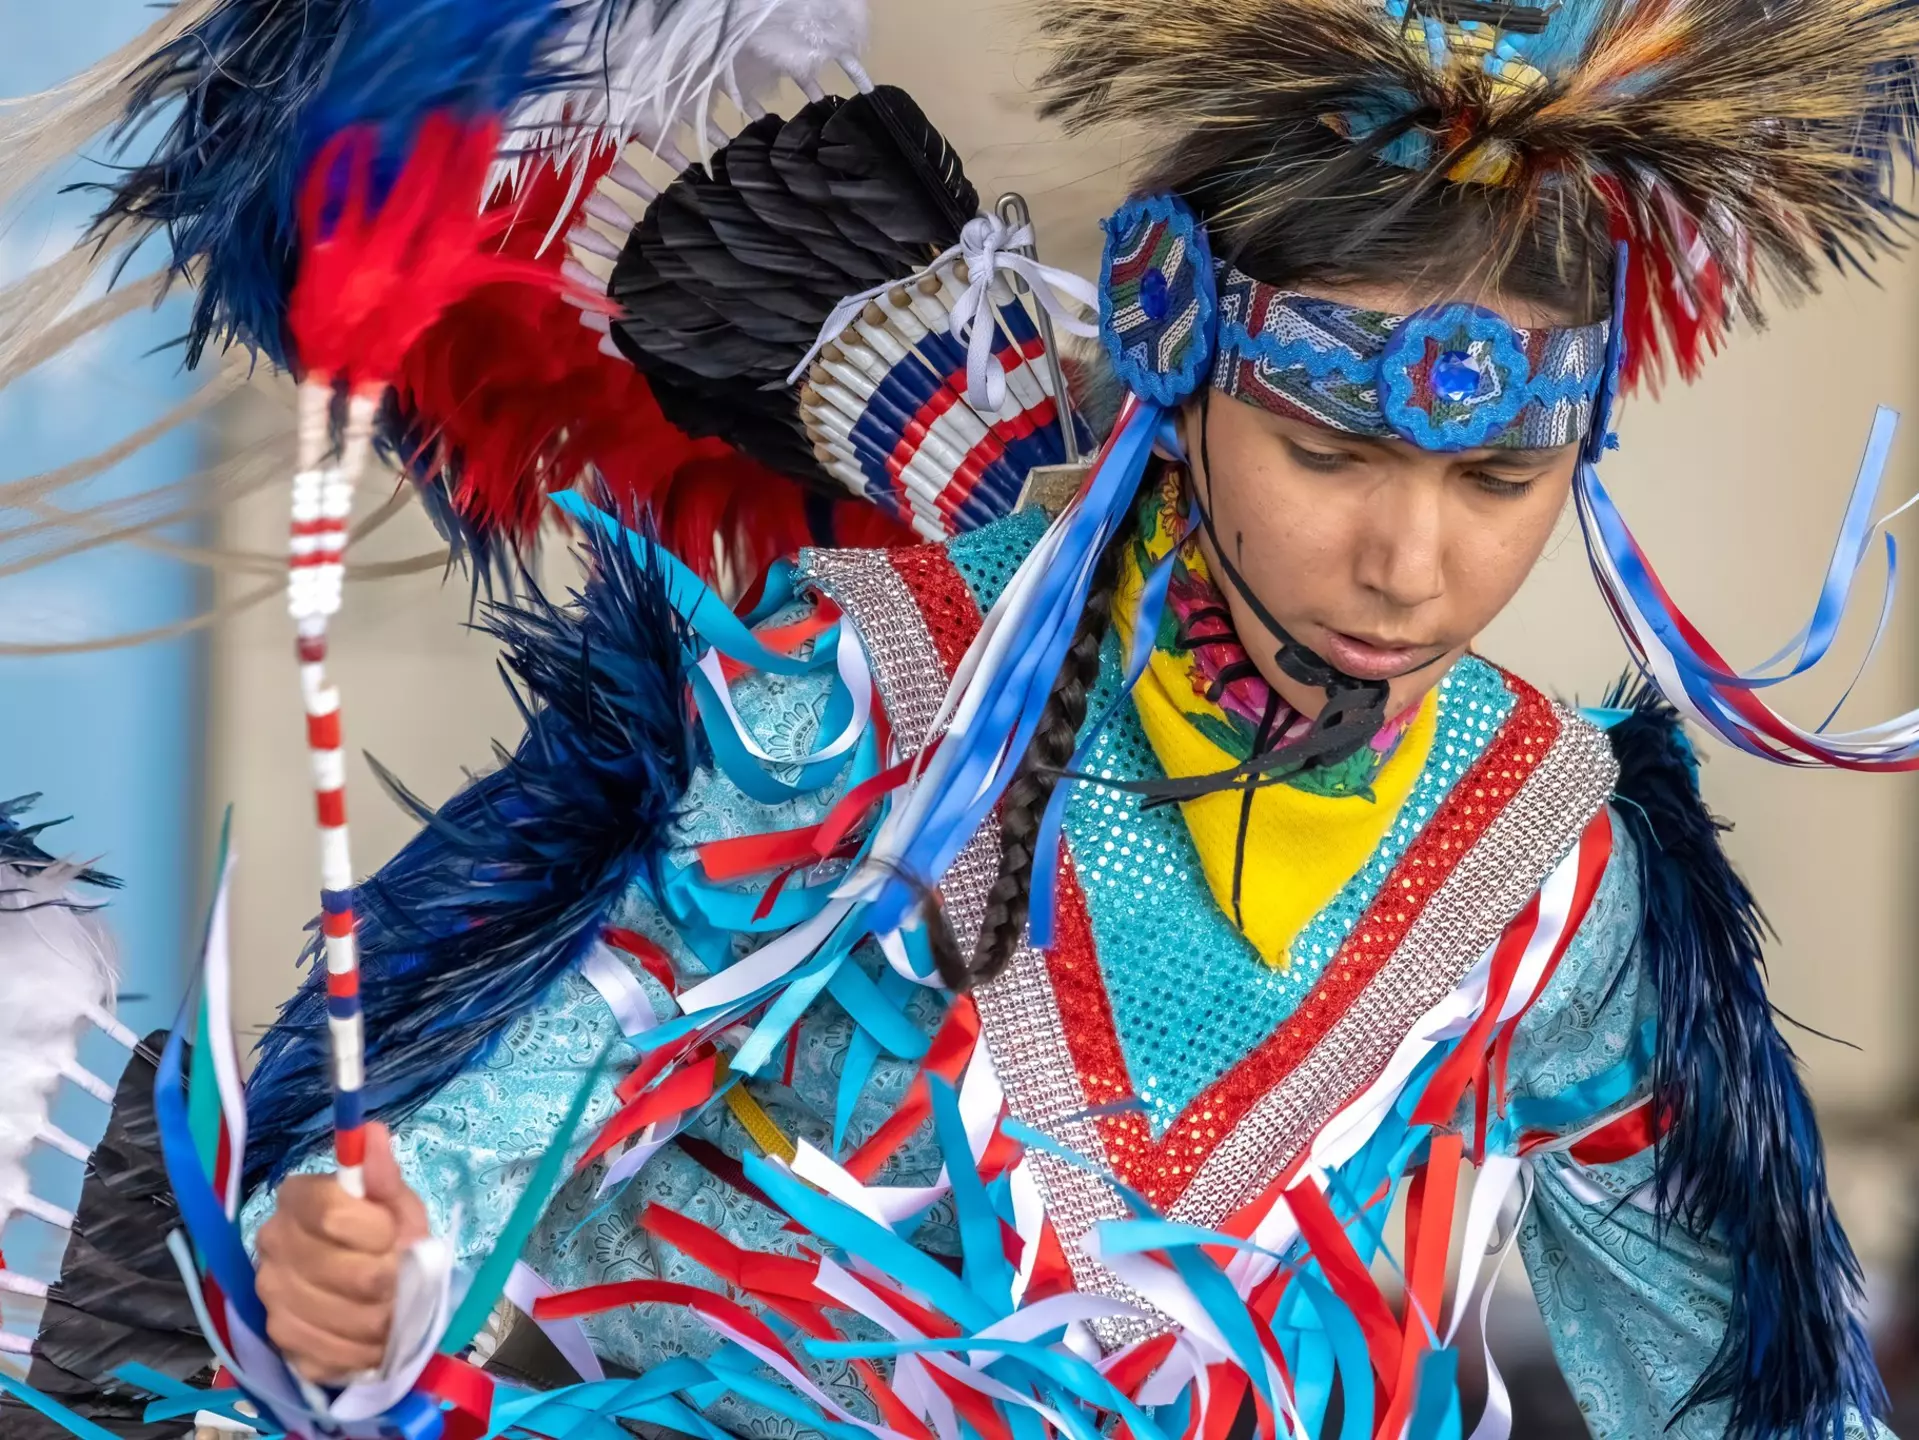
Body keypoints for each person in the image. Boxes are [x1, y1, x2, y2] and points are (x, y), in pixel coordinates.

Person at [5, 0, 1917, 1435]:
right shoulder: (864, 686)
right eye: (1329, 452)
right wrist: (388, 1257)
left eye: (1497, 484)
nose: (1408, 561)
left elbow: (1730, 1371)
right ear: (1176, 362)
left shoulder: (1554, 860)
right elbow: (562, 1058)